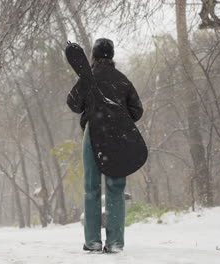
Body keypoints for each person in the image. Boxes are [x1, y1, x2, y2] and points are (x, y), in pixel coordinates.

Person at [67, 38, 143, 253]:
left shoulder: (88, 78)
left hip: (94, 133)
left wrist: (86, 86)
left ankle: (93, 241)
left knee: (91, 187)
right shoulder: (122, 80)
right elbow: (137, 111)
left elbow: (73, 103)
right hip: (118, 136)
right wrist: (119, 117)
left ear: (93, 56)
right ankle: (116, 242)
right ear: (112, 56)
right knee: (116, 188)